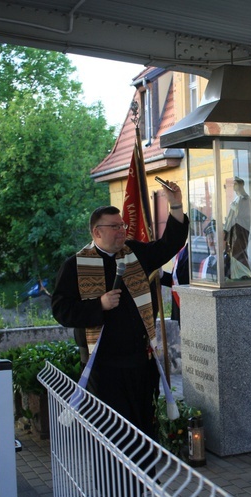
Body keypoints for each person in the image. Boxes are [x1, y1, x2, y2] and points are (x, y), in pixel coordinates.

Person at [51, 182, 188, 451]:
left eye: (122, 225)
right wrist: (98, 304)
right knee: (114, 436)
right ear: (96, 232)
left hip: (141, 364)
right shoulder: (76, 265)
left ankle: (145, 484)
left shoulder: (135, 253)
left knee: (144, 432)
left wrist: (176, 205)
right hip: (105, 369)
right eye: (114, 227)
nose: (122, 231)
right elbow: (61, 310)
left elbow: (169, 244)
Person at [223, 176, 251, 279]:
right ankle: (236, 274)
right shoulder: (237, 198)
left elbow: (243, 214)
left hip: (241, 229)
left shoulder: (245, 198)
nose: (234, 186)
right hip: (234, 228)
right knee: (232, 250)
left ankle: (245, 273)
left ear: (240, 185)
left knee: (238, 251)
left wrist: (233, 207)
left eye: (235, 184)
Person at [160, 242, 189, 325]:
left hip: (188, 304)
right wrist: (161, 276)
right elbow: (175, 280)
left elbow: (184, 280)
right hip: (179, 305)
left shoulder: (191, 250)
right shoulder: (182, 250)